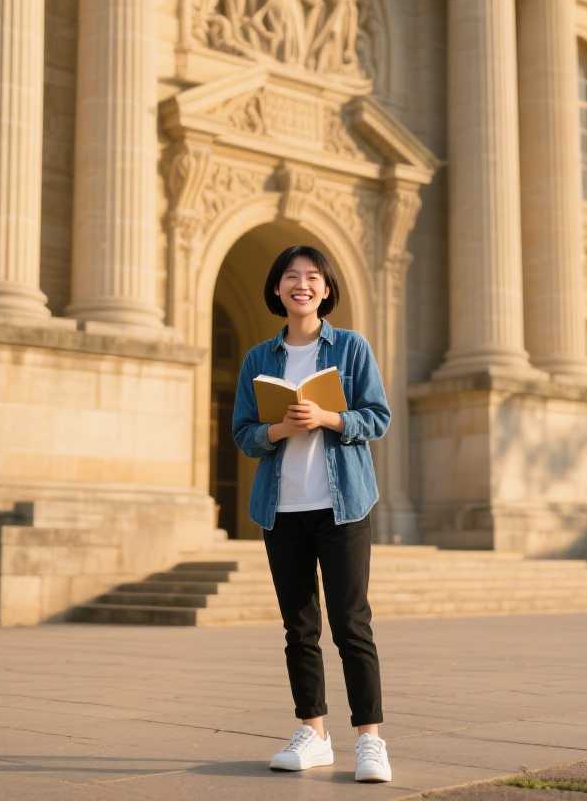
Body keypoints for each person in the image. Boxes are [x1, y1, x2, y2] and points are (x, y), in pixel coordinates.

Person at [231, 244, 393, 783]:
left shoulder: (350, 348)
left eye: (313, 277)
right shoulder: (258, 358)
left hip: (343, 506)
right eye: (291, 277)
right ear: (277, 288)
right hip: (283, 510)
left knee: (351, 624)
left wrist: (328, 416)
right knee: (299, 628)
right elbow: (244, 434)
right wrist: (278, 429)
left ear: (326, 289)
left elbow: (378, 417)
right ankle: (314, 732)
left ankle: (369, 739)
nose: (302, 284)